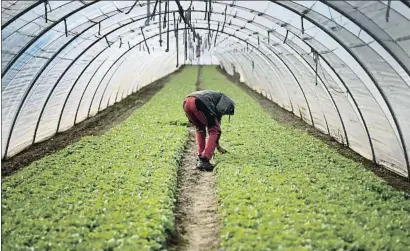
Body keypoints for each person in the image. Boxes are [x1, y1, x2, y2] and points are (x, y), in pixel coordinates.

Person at [183, 90, 235, 171]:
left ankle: (201, 155)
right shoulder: (227, 102)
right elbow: (217, 129)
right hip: (199, 102)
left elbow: (216, 119)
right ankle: (205, 159)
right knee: (214, 130)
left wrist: (218, 146)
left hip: (187, 102)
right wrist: (217, 146)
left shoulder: (218, 99)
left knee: (200, 129)